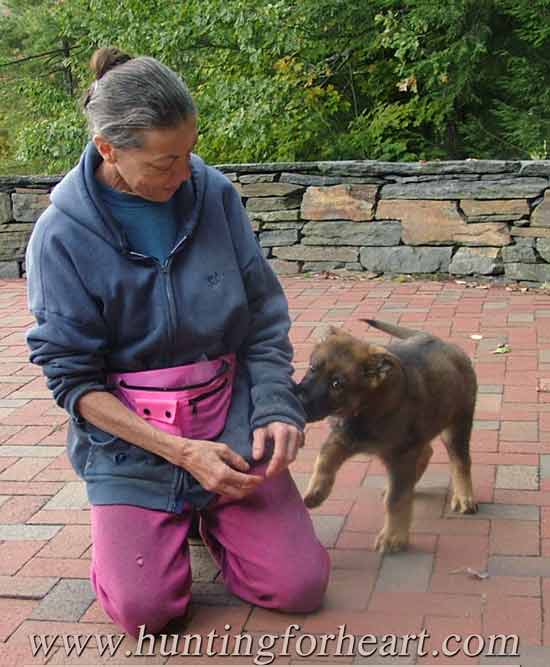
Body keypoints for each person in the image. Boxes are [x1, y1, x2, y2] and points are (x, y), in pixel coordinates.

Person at [25, 47, 330, 638]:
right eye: (166, 162)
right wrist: (182, 453)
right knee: (146, 613)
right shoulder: (59, 236)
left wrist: (272, 404)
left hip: (228, 416)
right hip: (132, 441)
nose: (186, 173)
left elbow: (264, 317)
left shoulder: (213, 195)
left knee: (299, 587)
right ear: (110, 149)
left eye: (189, 153)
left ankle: (208, 514)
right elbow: (74, 383)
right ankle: (155, 514)